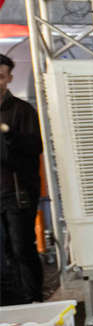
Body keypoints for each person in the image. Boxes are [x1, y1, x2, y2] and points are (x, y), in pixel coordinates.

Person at [0, 54, 43, 305]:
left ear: (9, 79)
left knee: (22, 248)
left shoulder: (22, 110)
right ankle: (13, 305)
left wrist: (9, 140)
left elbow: (35, 148)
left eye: (1, 77)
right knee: (4, 252)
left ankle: (33, 301)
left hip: (18, 193)